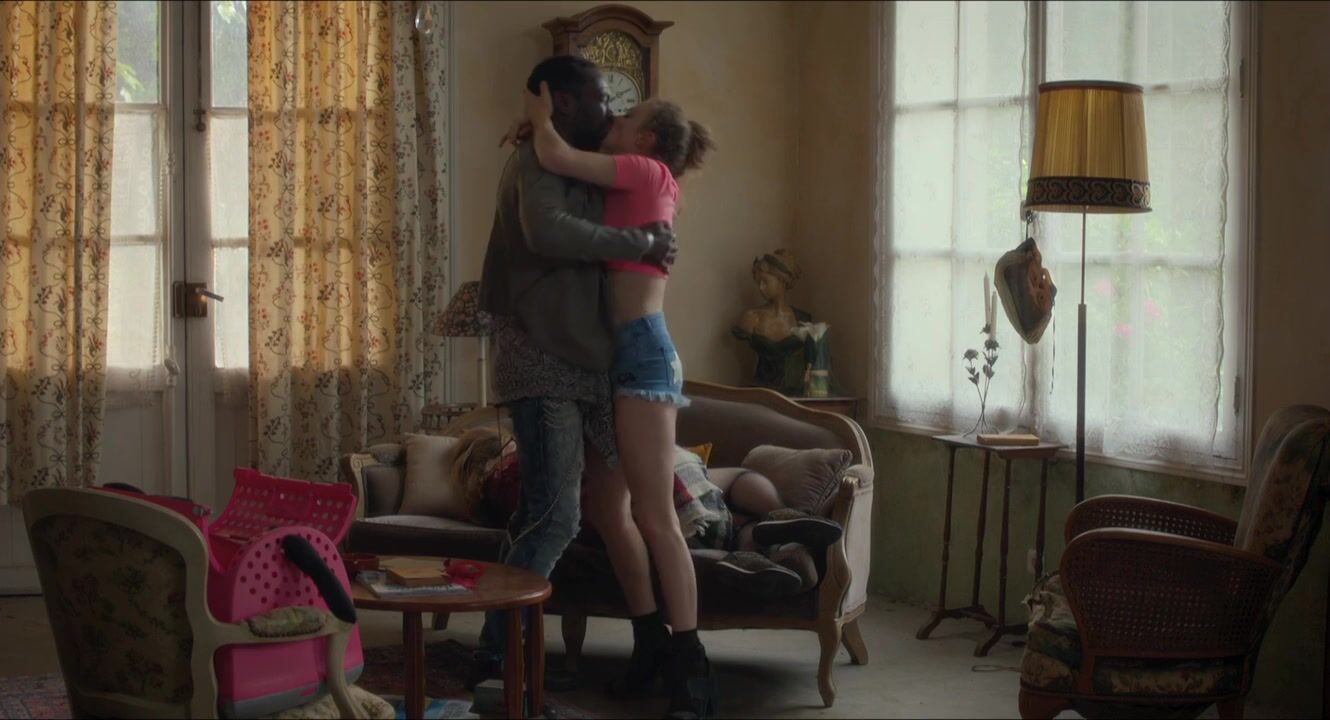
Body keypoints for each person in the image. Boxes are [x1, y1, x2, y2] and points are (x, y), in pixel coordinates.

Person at [473, 55, 677, 695]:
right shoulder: (535, 160)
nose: (610, 112)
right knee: (556, 518)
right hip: (543, 360)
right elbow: (548, 231)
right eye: (599, 99)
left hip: (593, 364)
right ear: (562, 101)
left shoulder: (575, 158)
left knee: (593, 511)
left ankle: (651, 643)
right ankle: (496, 655)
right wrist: (642, 243)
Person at [519, 81, 719, 718]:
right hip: (614, 358)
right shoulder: (640, 179)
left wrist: (536, 113)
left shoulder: (645, 170)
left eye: (628, 115)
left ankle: (692, 668)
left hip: (642, 355)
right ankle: (650, 644)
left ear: (647, 139)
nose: (616, 117)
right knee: (609, 509)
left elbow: (555, 155)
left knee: (656, 517)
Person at [731, 250, 814, 395]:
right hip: (759, 391)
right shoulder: (751, 317)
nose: (761, 288)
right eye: (758, 283)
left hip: (794, 393)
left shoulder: (802, 319)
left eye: (765, 281)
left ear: (782, 281)